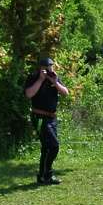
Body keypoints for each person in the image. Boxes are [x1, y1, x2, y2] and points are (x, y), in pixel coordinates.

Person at [23, 57, 69, 185]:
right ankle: (47, 174)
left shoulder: (54, 78)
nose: (49, 69)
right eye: (47, 67)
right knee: (54, 146)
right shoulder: (33, 78)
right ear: (40, 68)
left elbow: (66, 93)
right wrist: (40, 79)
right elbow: (28, 94)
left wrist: (55, 82)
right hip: (39, 117)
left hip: (52, 118)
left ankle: (43, 176)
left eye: (51, 66)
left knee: (46, 148)